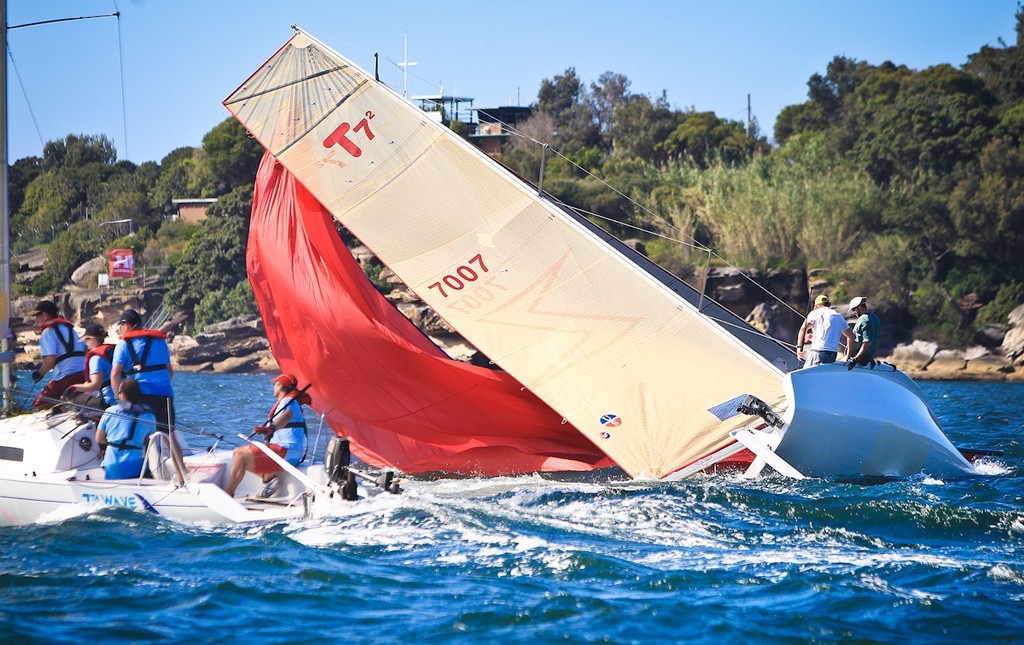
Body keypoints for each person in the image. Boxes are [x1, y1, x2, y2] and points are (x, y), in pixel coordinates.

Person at [225, 374, 310, 497]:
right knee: (236, 451)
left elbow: (287, 416)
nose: (273, 387)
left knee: (241, 457)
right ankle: (268, 478)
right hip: (287, 451)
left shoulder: (287, 402)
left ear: (280, 386)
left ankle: (228, 494)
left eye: (275, 384)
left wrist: (271, 428)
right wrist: (268, 431)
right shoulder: (288, 401)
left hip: (286, 451)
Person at [109, 309, 175, 433]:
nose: (121, 330)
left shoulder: (123, 345)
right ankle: (171, 452)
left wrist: (120, 398)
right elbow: (170, 372)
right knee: (166, 434)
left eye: (121, 326)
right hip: (165, 395)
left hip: (140, 396)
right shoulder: (160, 342)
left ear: (127, 325)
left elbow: (115, 375)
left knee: (143, 434)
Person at [96, 378, 158, 480]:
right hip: (137, 468)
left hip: (113, 467)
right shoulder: (149, 416)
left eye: (119, 392)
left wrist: (112, 442)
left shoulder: (109, 411)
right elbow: (148, 442)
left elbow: (99, 439)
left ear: (123, 395)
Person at [29, 300, 86, 409]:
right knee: (66, 404)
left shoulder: (48, 332)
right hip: (82, 374)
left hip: (65, 376)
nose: (36, 319)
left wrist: (40, 374)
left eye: (37, 315)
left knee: (38, 406)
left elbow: (50, 359)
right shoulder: (70, 330)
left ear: (45, 315)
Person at [67, 323, 117, 416]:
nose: (85, 343)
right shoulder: (114, 352)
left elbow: (96, 385)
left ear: (92, 339)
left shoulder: (96, 359)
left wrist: (73, 388)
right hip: (124, 399)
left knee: (76, 399)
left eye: (86, 340)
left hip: (108, 403)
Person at [796, 294, 854, 368]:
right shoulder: (839, 317)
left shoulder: (815, 313)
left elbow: (803, 329)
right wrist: (847, 356)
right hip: (832, 355)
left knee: (806, 375)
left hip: (818, 352)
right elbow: (852, 337)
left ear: (817, 305)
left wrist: (799, 348)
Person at [845, 296, 881, 369]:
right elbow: (877, 342)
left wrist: (855, 359)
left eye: (853, 309)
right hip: (868, 358)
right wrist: (871, 357)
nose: (853, 312)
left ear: (859, 307)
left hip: (858, 360)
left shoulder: (863, 320)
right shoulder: (875, 318)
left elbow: (867, 342)